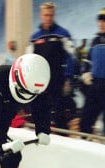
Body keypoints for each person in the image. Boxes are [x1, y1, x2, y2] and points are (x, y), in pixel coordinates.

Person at [27, 1, 75, 130]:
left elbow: (71, 56)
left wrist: (68, 78)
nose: (48, 18)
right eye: (46, 15)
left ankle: (63, 138)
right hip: (40, 81)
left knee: (60, 112)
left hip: (58, 80)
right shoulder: (35, 38)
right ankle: (40, 134)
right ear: (41, 15)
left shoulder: (63, 34)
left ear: (54, 15)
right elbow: (29, 60)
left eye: (51, 15)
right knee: (38, 109)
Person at [80, 7, 105, 145]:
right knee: (85, 122)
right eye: (99, 21)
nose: (101, 24)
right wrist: (85, 72)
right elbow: (87, 61)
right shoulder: (95, 40)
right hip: (95, 88)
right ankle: (83, 150)